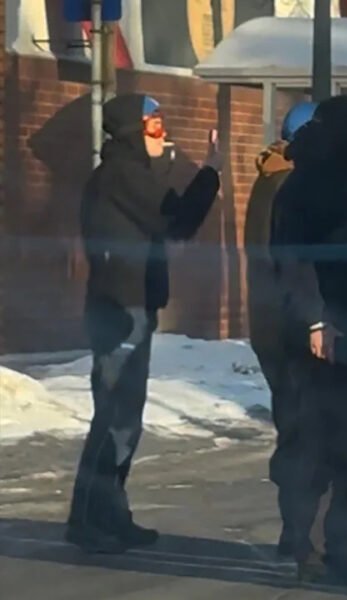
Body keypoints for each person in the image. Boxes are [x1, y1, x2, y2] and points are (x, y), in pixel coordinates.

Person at [68, 94, 221, 554]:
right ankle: (88, 519)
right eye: (154, 124)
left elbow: (169, 221)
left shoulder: (130, 175)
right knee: (113, 417)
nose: (163, 132)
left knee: (125, 421)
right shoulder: (121, 174)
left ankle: (111, 513)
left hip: (131, 307)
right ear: (133, 131)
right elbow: (175, 218)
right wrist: (210, 172)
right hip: (118, 311)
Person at [269, 95, 347, 586]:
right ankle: (322, 549)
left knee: (336, 440)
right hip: (333, 330)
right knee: (332, 442)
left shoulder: (331, 181)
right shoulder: (316, 185)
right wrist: (315, 321)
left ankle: (323, 545)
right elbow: (293, 259)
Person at [244, 100, 316, 557]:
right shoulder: (291, 186)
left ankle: (297, 530)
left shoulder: (270, 178)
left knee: (293, 426)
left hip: (272, 322)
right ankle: (303, 534)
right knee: (306, 431)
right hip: (295, 325)